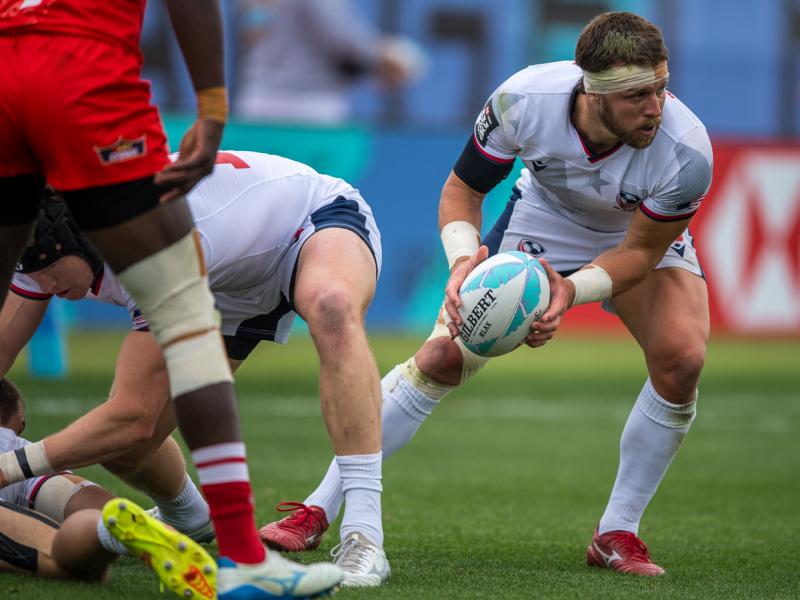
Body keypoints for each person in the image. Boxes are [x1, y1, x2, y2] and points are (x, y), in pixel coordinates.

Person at [260, 11, 713, 578]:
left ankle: (618, 531)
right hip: (541, 220)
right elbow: (463, 190)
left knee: (682, 360)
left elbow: (641, 254)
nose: (656, 108)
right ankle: (317, 508)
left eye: (662, 88)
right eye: (637, 95)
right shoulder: (523, 100)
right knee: (441, 357)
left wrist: (568, 291)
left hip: (631, 235)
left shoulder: (686, 151)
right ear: (593, 93)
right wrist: (462, 262)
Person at [0, 1, 341, 596]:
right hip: (82, 68)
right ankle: (244, 561)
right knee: (187, 318)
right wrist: (211, 105)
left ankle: (194, 524)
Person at [1, 149, 389, 586]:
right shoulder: (43, 245)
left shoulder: (149, 244)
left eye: (50, 271)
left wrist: (9, 468)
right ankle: (187, 516)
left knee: (331, 305)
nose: (47, 285)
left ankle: (364, 534)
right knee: (122, 450)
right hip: (221, 279)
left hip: (305, 222)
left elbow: (133, 415)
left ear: (80, 238)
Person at [0, 377, 217, 599]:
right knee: (101, 514)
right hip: (19, 460)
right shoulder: (16, 444)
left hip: (12, 467)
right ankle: (116, 528)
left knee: (66, 562)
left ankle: (116, 532)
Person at [235, 0, 426, 124]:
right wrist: (395, 57)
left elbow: (251, 29)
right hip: (310, 108)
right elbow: (342, 40)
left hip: (257, 100)